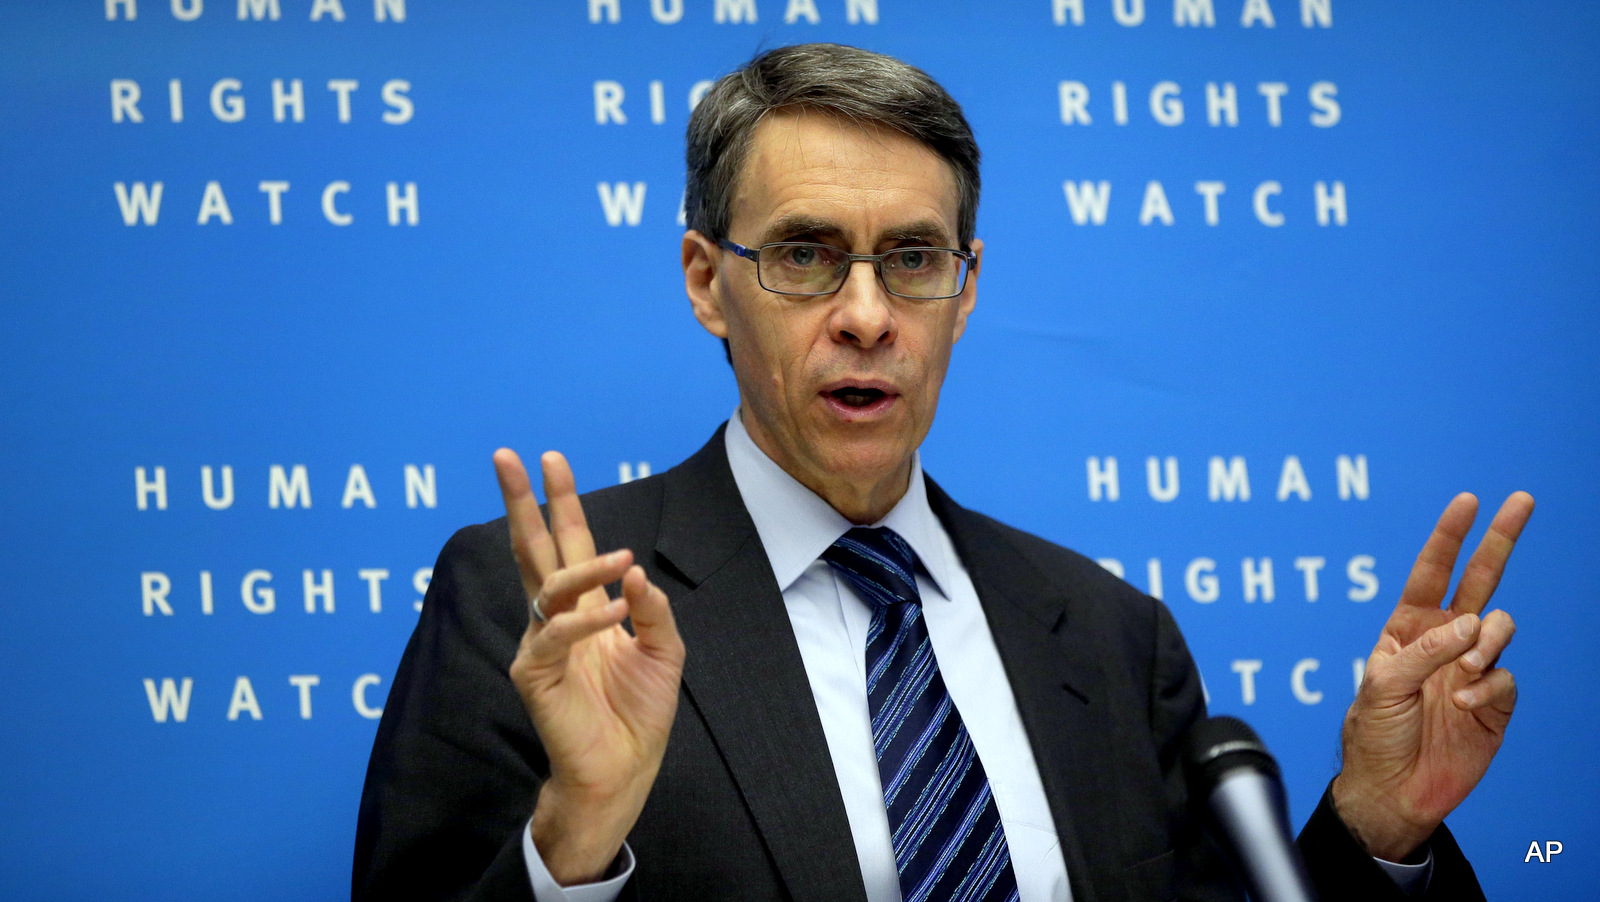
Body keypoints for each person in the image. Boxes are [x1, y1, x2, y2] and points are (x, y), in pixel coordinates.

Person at [352, 44, 1531, 902]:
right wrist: (574, 842)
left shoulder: (1110, 635)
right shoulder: (552, 606)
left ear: (964, 289)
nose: (866, 315)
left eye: (912, 258)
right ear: (706, 280)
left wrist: (1379, 822)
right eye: (807, 255)